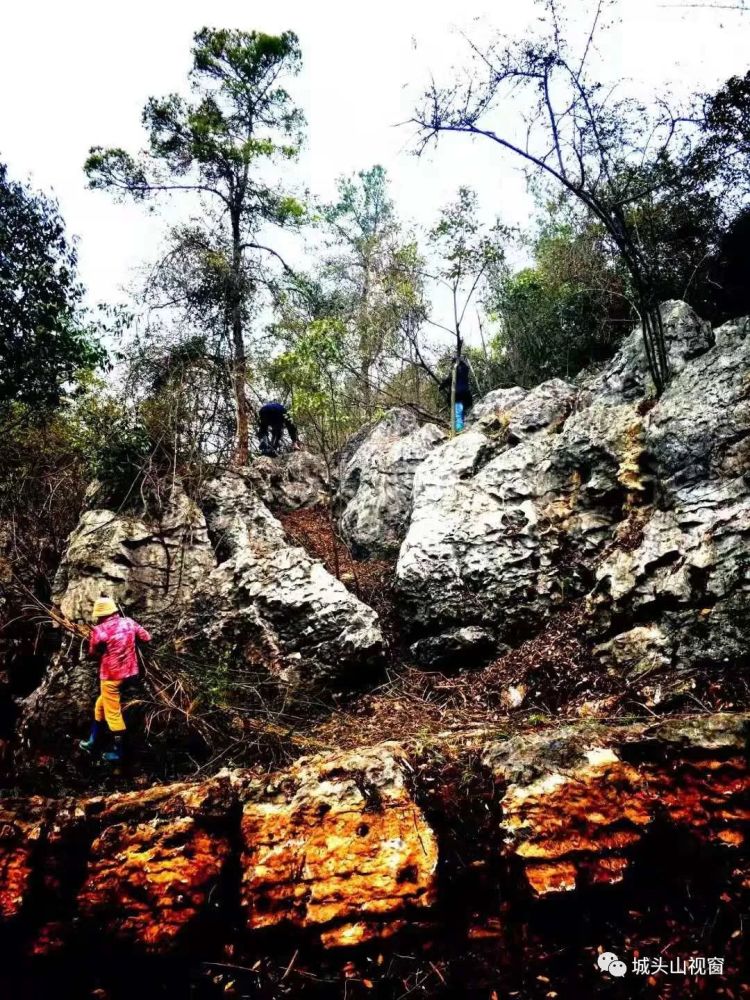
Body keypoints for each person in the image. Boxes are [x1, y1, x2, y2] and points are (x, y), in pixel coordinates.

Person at [79, 597, 151, 763]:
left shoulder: (99, 630)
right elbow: (146, 637)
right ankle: (92, 741)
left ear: (101, 615)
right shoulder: (129, 622)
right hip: (131, 674)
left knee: (113, 714)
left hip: (111, 677)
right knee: (100, 705)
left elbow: (92, 653)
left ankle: (119, 753)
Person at [439, 355, 474, 432]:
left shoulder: (456, 370)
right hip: (466, 395)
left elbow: (449, 380)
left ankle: (460, 429)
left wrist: (441, 387)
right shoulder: (465, 368)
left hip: (458, 395)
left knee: (458, 413)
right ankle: (463, 427)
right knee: (462, 412)